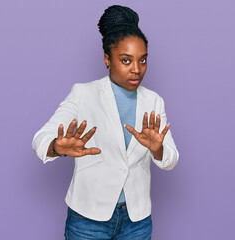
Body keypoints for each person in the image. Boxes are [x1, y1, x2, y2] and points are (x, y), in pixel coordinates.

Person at [32, 5, 179, 240]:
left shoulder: (154, 101)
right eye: (126, 60)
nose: (136, 70)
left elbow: (171, 159)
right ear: (107, 59)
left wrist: (158, 149)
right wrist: (56, 147)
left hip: (136, 222)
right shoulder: (83, 94)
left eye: (142, 60)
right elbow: (40, 138)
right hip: (88, 220)